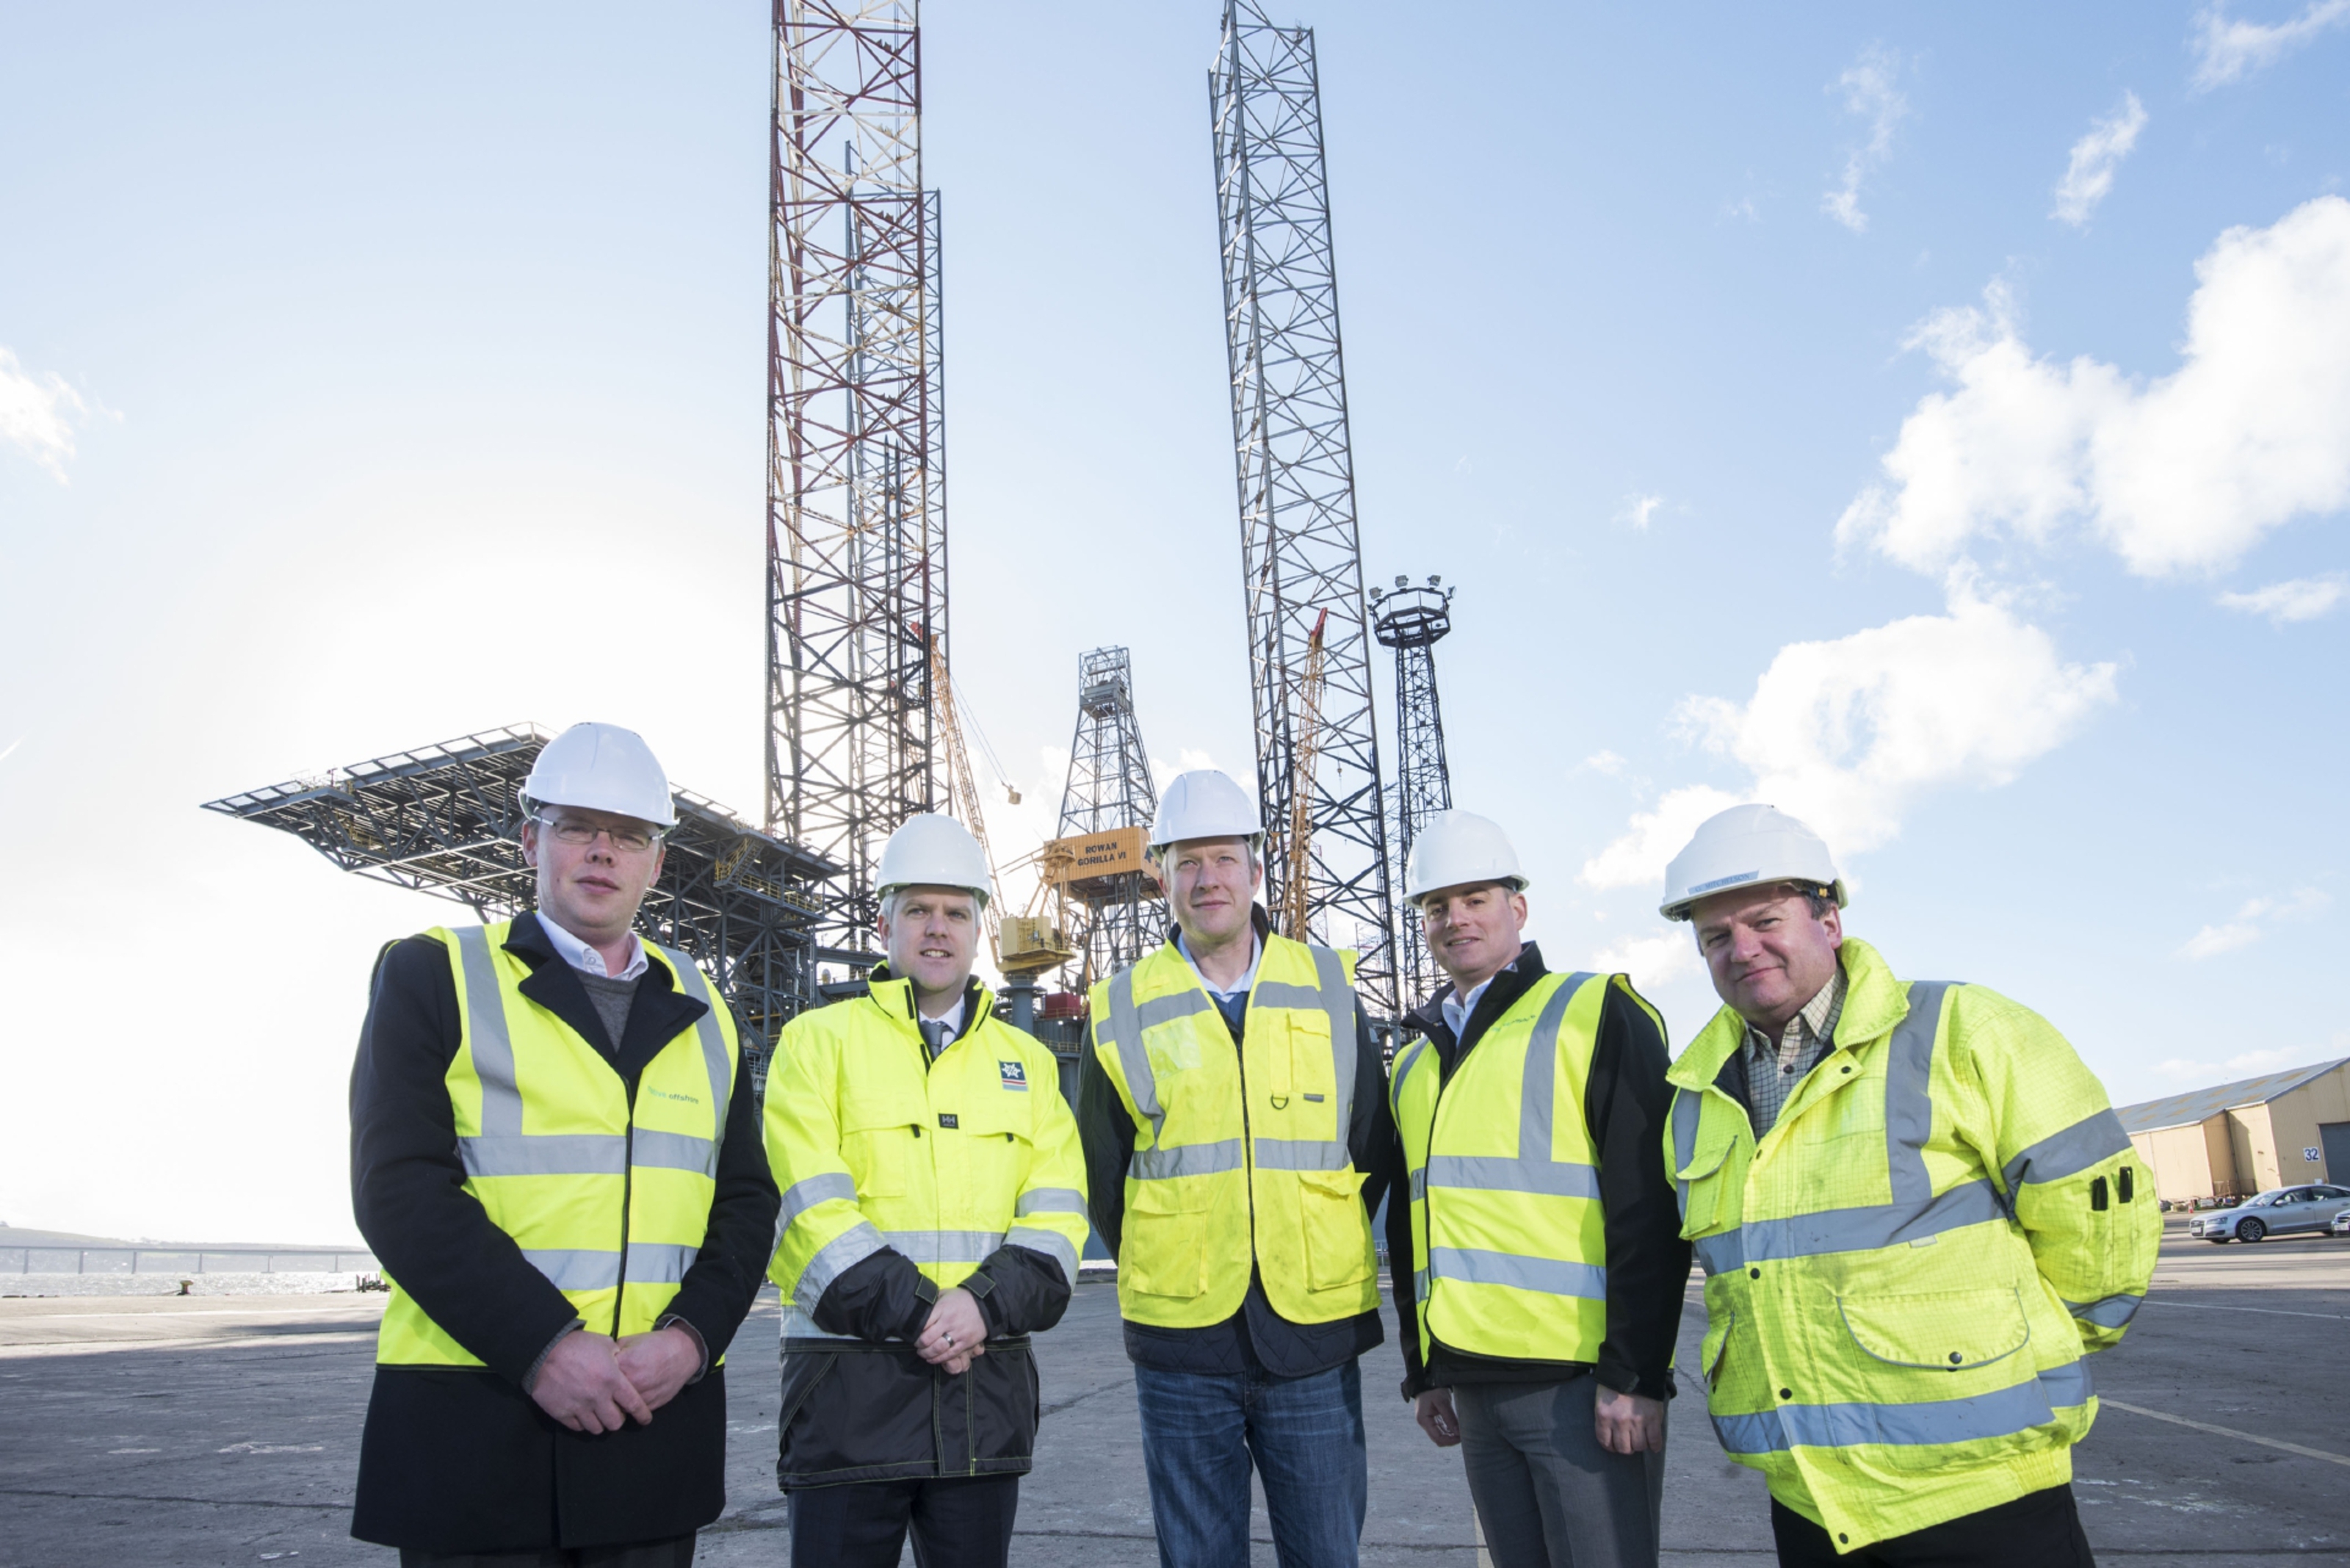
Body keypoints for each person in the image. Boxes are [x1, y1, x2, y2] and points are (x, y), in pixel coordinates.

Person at [1657, 804, 2159, 1567]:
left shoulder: (1964, 1029)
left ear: (1828, 919)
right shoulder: (1694, 1096)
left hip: (1980, 1488)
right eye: (1715, 937)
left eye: (1763, 920)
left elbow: (2093, 1214)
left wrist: (2041, 1344)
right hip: (1810, 1499)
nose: (1741, 948)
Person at [350, 722, 781, 1566]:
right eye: (577, 825)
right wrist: (543, 1344)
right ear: (530, 839)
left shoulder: (709, 1010)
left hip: (652, 1430)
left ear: (656, 863)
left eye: (628, 834)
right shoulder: (434, 974)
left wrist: (691, 1338)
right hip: (477, 1427)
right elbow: (397, 1185)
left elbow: (745, 1200)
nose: (601, 850)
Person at [1075, 769, 1397, 1568]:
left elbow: (1369, 1146)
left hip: (1310, 1336)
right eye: (1186, 861)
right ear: (1161, 877)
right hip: (1182, 1340)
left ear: (1256, 869)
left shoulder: (1325, 986)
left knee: (1326, 1553)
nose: (1206, 878)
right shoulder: (1118, 1004)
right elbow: (1102, 1174)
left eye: (1222, 858)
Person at [764, 814, 1089, 1568]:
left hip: (982, 1399)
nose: (936, 928)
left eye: (955, 912)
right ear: (883, 921)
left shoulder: (1028, 1062)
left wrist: (980, 1305)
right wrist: (927, 1315)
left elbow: (1057, 1215)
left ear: (980, 929)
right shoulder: (818, 1043)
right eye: (917, 909)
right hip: (847, 1399)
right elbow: (804, 1208)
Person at [1384, 812, 1688, 1568]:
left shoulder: (1593, 1013)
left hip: (1584, 1390)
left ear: (1516, 906)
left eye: (1475, 897)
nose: (1455, 918)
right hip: (1472, 1386)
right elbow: (1412, 1229)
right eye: (1435, 905)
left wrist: (1636, 1373)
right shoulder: (1413, 1063)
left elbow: (1648, 1207)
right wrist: (1423, 1368)